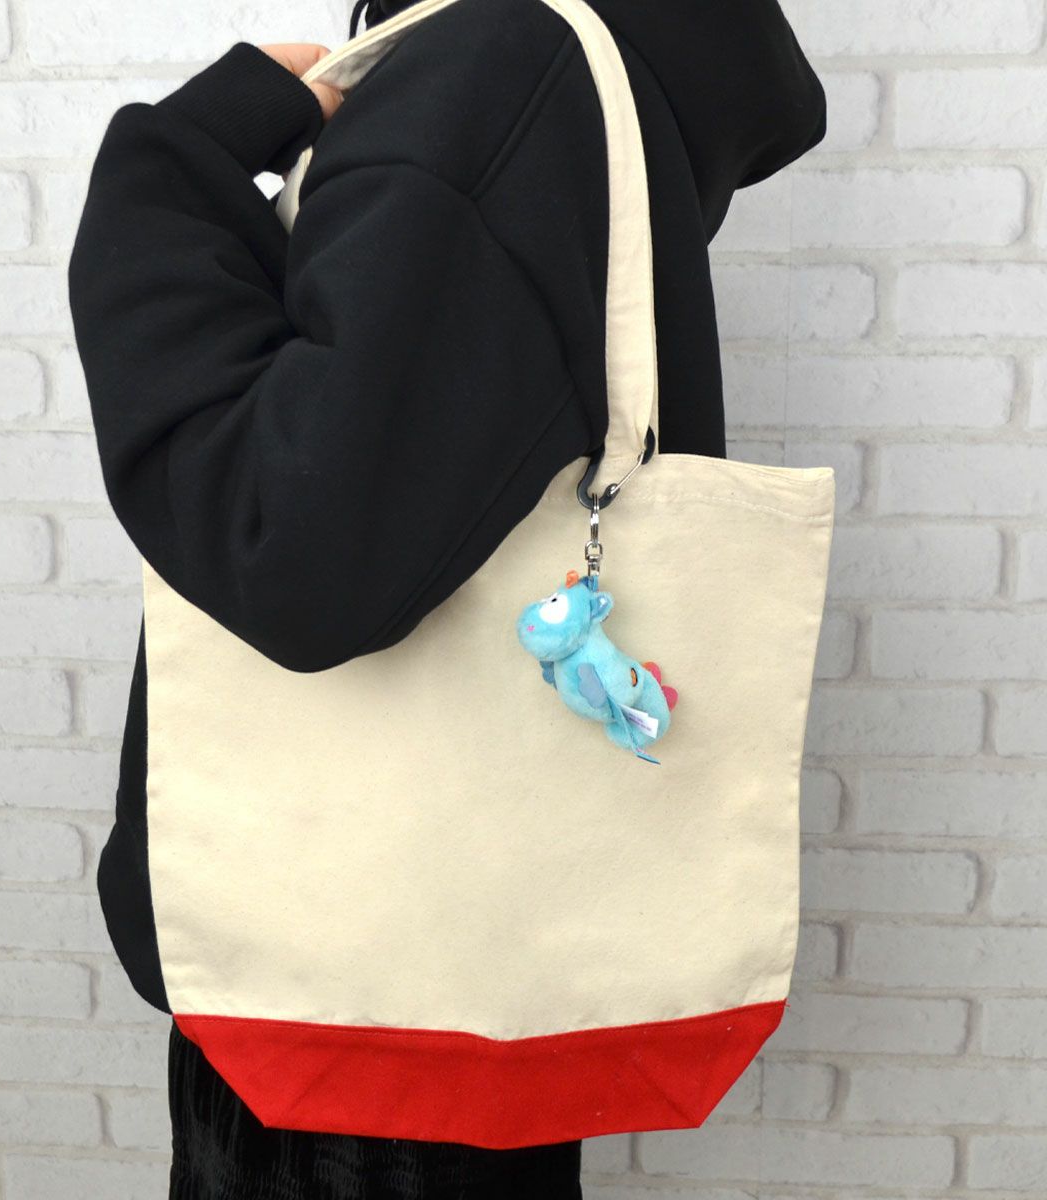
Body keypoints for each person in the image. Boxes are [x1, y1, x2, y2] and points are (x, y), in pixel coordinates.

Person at [67, 0, 826, 1194]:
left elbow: (284, 549)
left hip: (350, 993)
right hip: (443, 946)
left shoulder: (495, 76)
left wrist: (170, 169)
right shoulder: (537, 74)